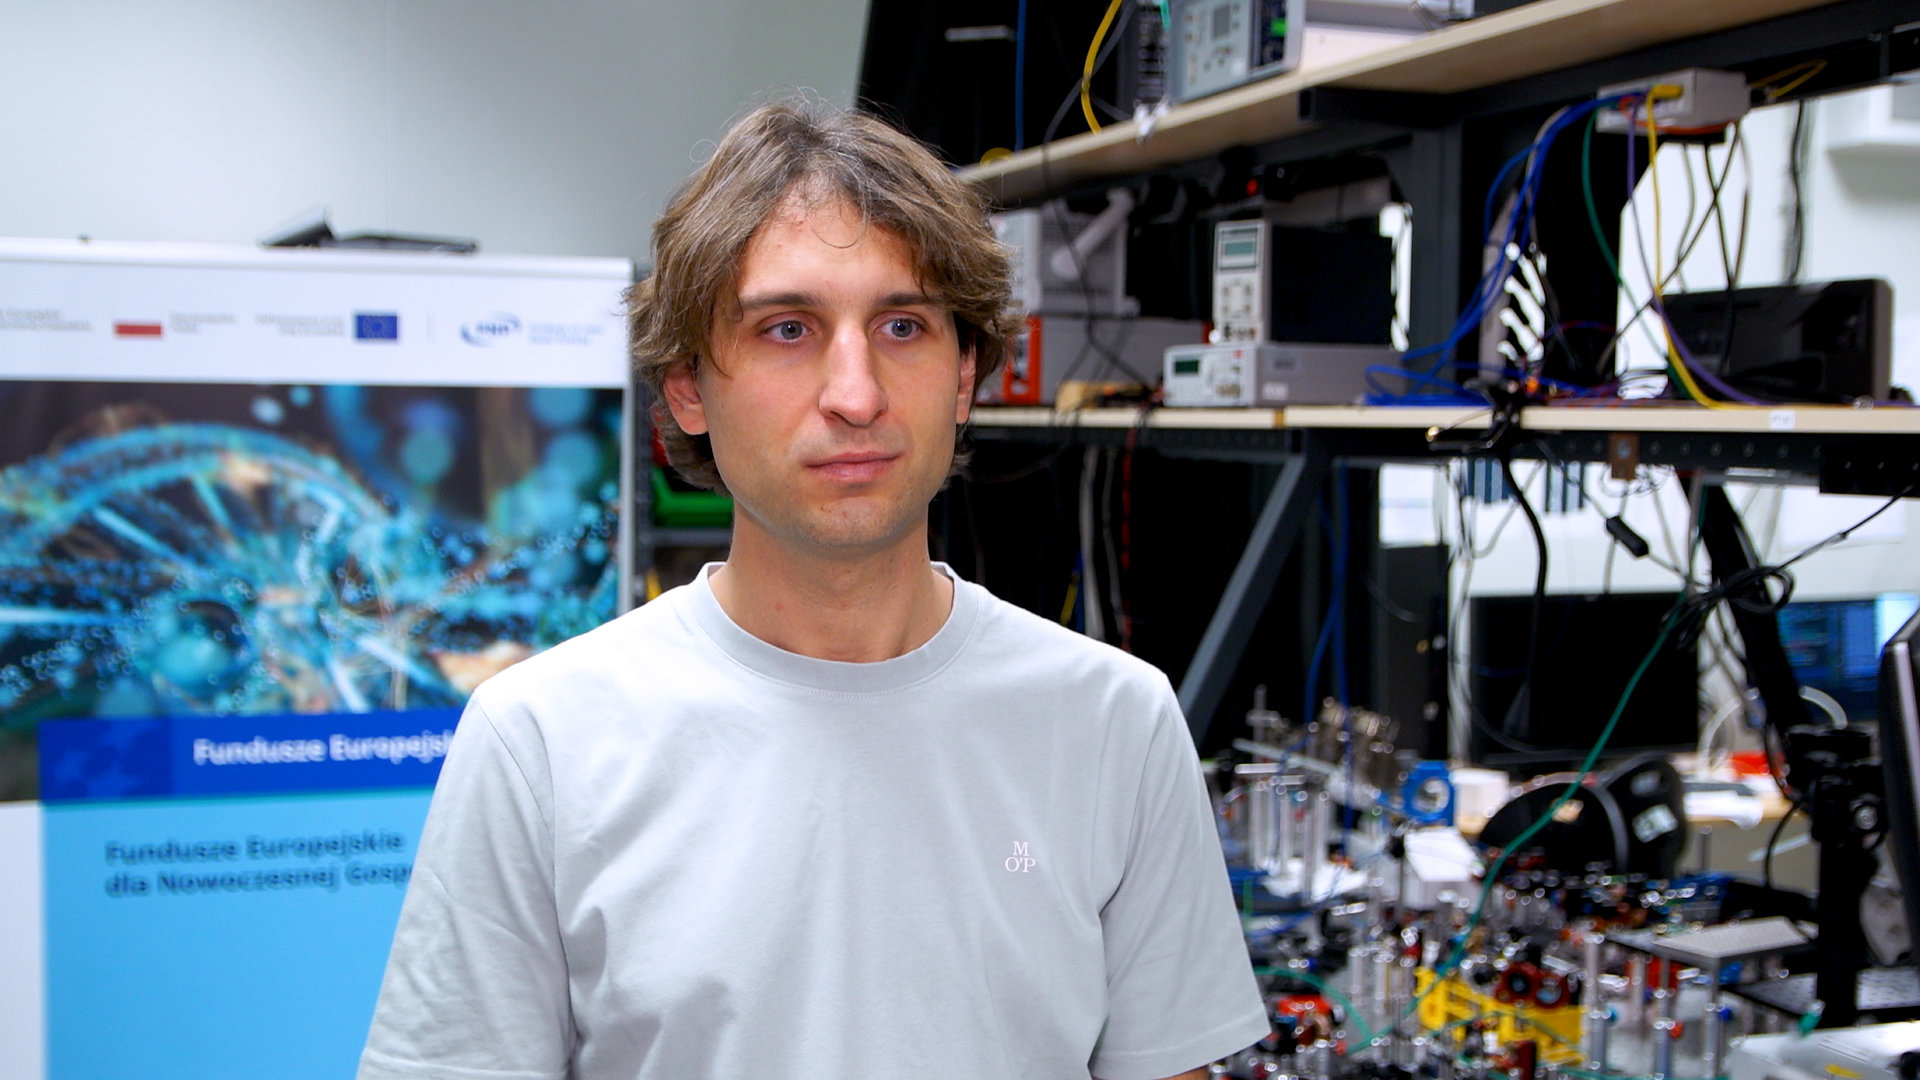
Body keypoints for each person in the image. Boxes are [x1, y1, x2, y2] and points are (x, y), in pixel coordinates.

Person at [358, 97, 1267, 1080]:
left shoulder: (1114, 726)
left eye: (904, 326)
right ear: (687, 387)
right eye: (787, 329)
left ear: (965, 376)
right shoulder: (542, 743)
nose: (856, 394)